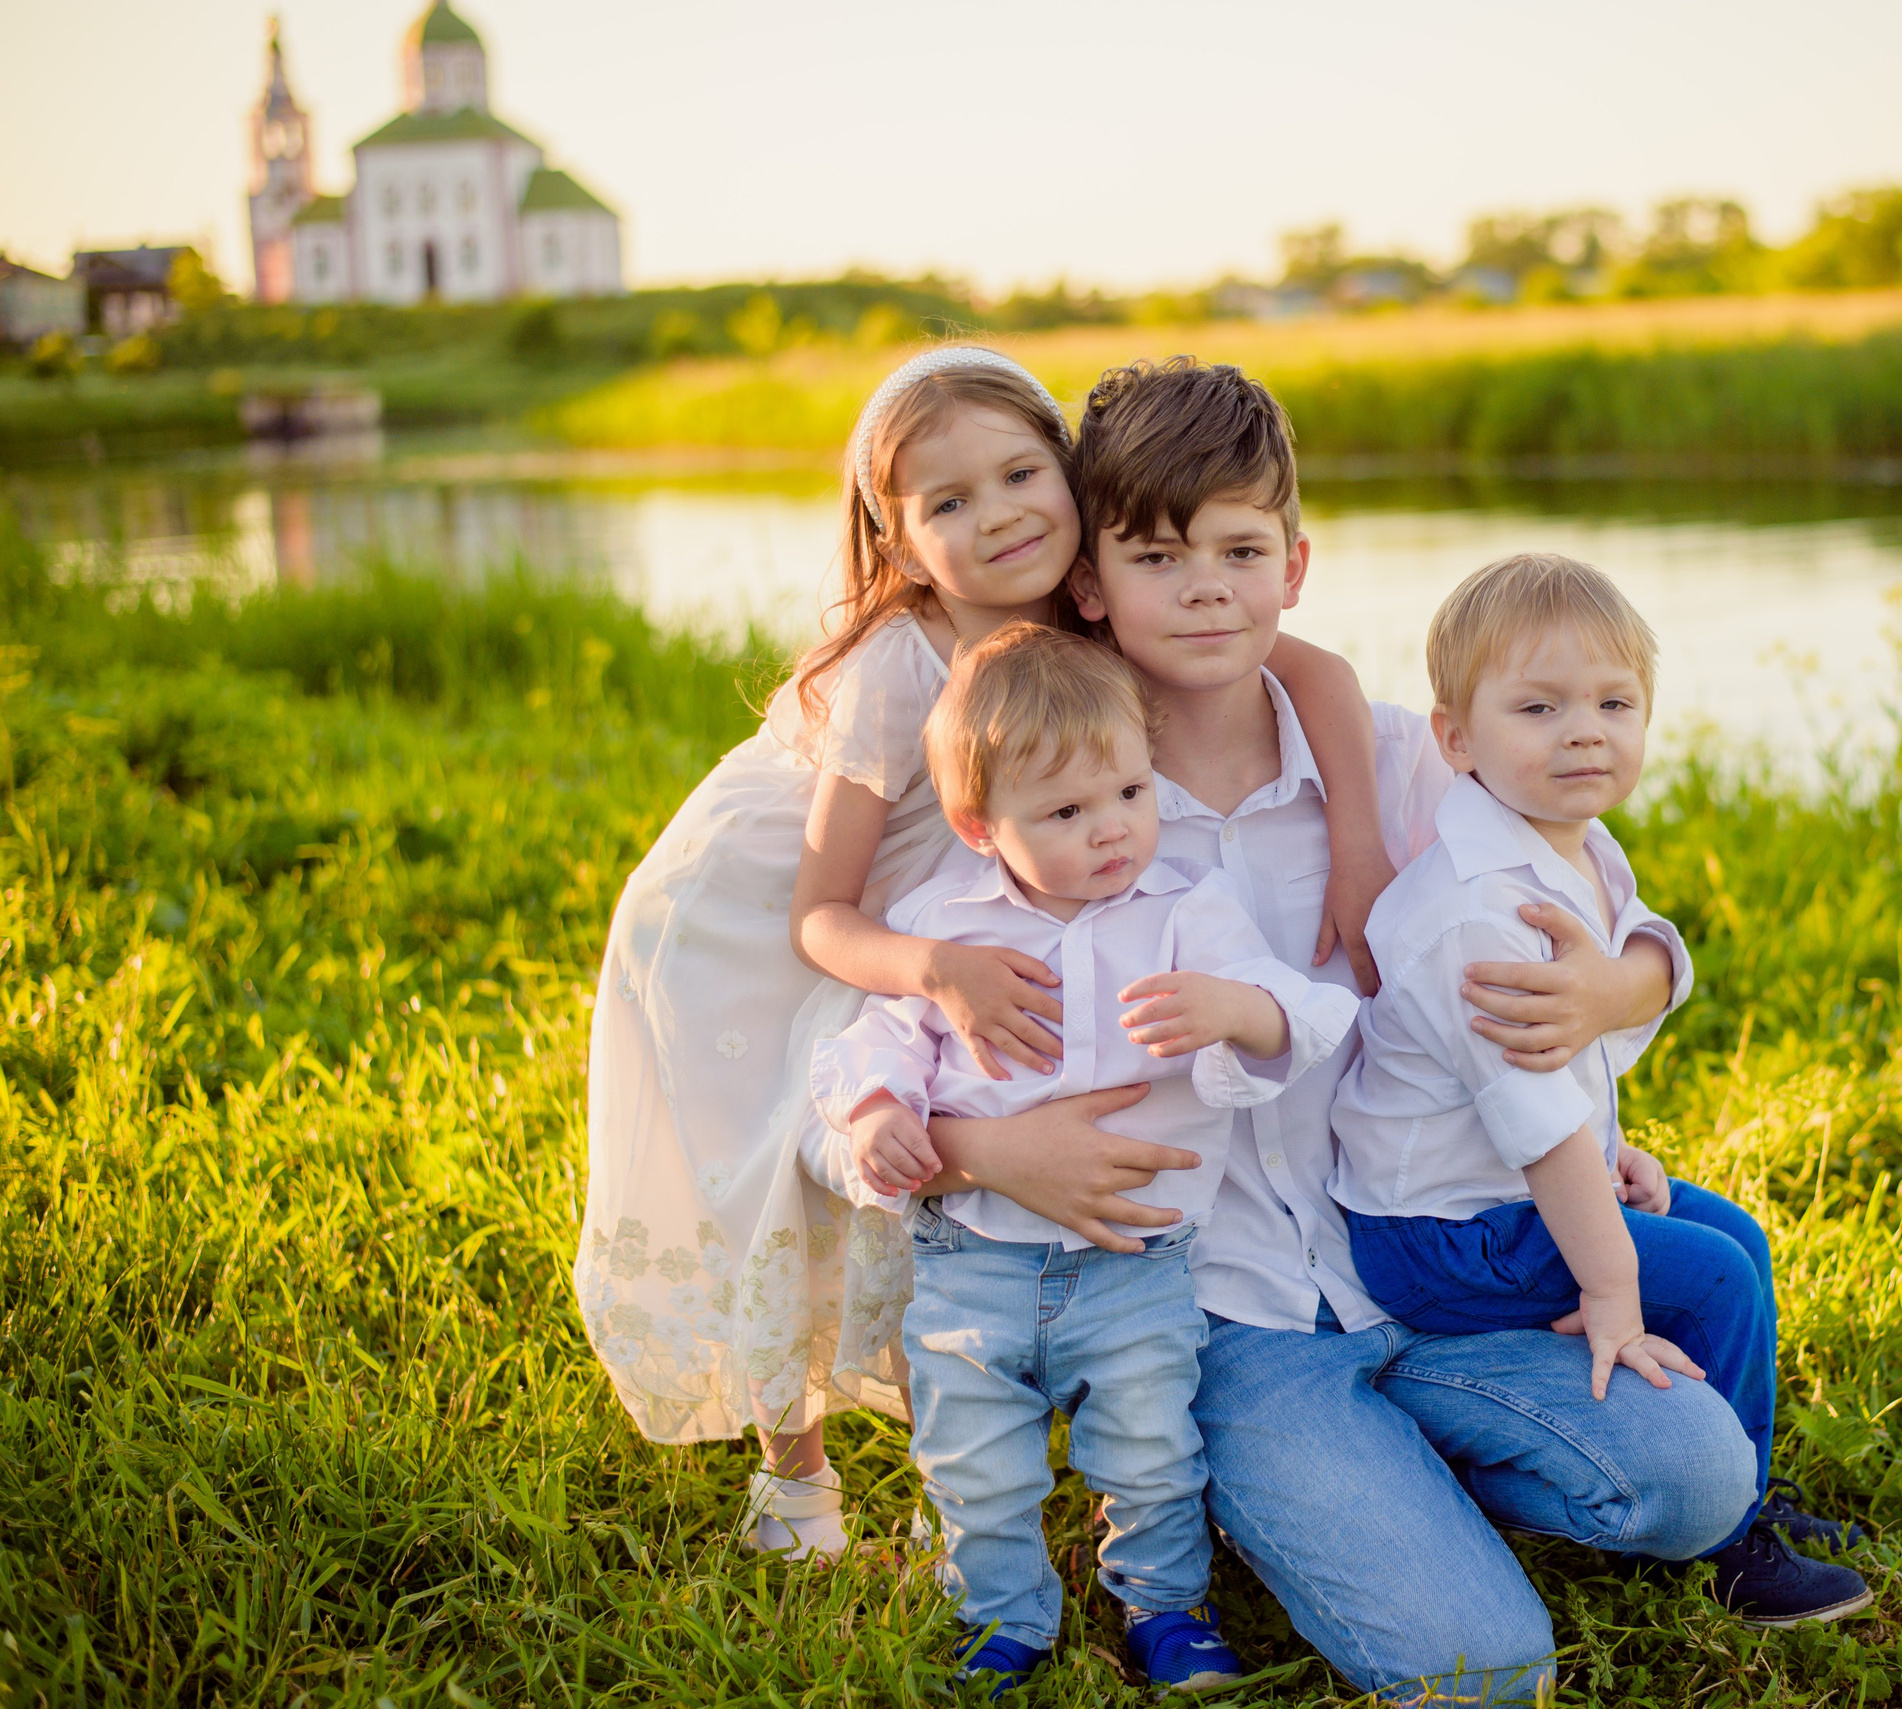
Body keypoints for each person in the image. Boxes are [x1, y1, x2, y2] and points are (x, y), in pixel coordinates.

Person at [912, 357, 1759, 1704]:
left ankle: (1436, 1461)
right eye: (1157, 556)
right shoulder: (1046, 809)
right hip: (1230, 1313)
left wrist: (1627, 995)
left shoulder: (1402, 757)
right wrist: (976, 1149)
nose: (1205, 587)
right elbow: (890, 1041)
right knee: (1482, 1672)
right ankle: (1330, 1486)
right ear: (1091, 586)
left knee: (1703, 1480)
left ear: (1294, 565)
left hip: (1431, 1256)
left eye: (1242, 551)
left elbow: (1594, 911)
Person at [573, 346, 1391, 1565]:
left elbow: (1310, 662)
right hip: (757, 925)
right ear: (898, 543)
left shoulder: (1087, 600)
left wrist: (1358, 835)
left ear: (1070, 480)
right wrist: (937, 971)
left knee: (917, 1168)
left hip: (937, 899)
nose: (1000, 513)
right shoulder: (895, 668)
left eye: (1021, 473)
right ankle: (792, 1473)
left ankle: (944, 1456)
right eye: (948, 502)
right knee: (788, 1176)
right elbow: (820, 915)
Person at [806, 622, 1358, 1696]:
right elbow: (879, 1036)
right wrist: (876, 1110)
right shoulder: (946, 924)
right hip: (974, 1256)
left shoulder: (1185, 910)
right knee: (976, 1457)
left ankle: (1165, 1608)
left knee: (1151, 1447)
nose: (1111, 831)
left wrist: (1233, 1005)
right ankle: (1001, 1616)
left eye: (1130, 793)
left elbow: (1308, 1011)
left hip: (1134, 1259)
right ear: (979, 824)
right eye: (1064, 812)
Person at [1331, 552, 1872, 1627]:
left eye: (1614, 703)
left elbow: (1577, 1050)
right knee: (1705, 1279)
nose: (1585, 731)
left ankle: (1748, 1485)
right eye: (1539, 707)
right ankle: (1727, 1542)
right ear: (1456, 738)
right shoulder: (1476, 916)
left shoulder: (1576, 845)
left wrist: (1609, 1145)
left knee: (1739, 1241)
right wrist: (1611, 1291)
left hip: (1505, 1190)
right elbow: (1533, 1132)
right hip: (1441, 1231)